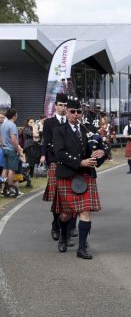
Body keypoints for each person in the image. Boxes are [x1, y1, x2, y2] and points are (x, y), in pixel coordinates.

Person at [53, 97, 107, 259]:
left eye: (78, 112)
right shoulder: (59, 130)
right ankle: (63, 235)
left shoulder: (88, 129)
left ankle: (81, 248)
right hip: (68, 175)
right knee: (66, 215)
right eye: (72, 111)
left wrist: (102, 153)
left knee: (85, 211)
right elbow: (59, 153)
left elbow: (103, 146)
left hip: (86, 175)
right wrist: (80, 162)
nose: (75, 115)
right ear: (67, 112)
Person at [41, 94, 69, 241]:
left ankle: (68, 228)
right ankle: (55, 224)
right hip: (55, 161)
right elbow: (45, 141)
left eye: (65, 105)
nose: (63, 108)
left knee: (69, 197)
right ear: (56, 106)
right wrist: (43, 155)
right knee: (56, 198)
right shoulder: (49, 122)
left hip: (70, 163)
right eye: (61, 105)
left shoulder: (71, 121)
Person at [1, 109, 25, 192]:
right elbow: (14, 140)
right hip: (11, 149)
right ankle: (10, 188)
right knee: (12, 169)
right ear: (14, 115)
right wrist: (18, 151)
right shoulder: (12, 125)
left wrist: (3, 145)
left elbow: (1, 137)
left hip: (4, 148)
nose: (17, 116)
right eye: (17, 114)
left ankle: (3, 188)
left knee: (5, 169)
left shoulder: (3, 124)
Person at [22, 117, 41, 187]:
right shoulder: (26, 129)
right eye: (31, 122)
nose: (32, 123)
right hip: (29, 147)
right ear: (27, 123)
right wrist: (34, 127)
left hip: (34, 146)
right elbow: (34, 134)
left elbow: (38, 135)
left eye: (33, 122)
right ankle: (27, 180)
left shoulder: (33, 128)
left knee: (33, 163)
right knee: (29, 163)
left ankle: (29, 179)